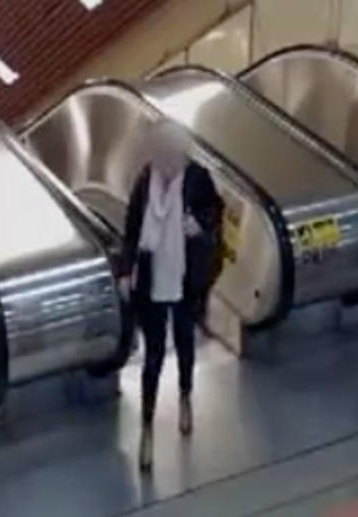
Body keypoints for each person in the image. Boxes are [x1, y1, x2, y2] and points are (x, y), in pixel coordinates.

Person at [119, 121, 222, 472]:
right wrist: (124, 271)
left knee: (185, 343)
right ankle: (147, 427)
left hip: (184, 277)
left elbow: (215, 211)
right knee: (154, 356)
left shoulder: (197, 179)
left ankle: (185, 396)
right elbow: (132, 229)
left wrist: (201, 225)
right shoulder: (144, 183)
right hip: (150, 280)